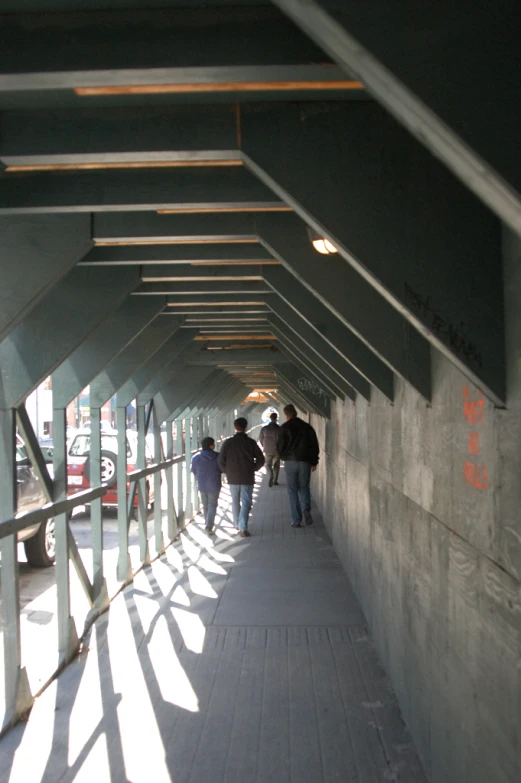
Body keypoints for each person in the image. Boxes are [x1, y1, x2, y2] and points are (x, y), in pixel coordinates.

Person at [218, 417, 265, 537]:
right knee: (246, 502)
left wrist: (227, 471)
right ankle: (242, 527)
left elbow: (221, 460)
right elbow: (261, 459)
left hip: (232, 478)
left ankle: (236, 524)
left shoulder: (228, 443)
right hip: (247, 477)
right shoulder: (250, 442)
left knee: (235, 501)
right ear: (246, 427)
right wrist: (253, 468)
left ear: (235, 427)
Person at [276, 404, 319, 528]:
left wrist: (284, 458)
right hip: (305, 461)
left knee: (292, 491)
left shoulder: (284, 428)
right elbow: (314, 445)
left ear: (286, 414)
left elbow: (279, 447)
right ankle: (306, 508)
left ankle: (296, 520)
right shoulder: (307, 427)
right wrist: (314, 461)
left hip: (290, 463)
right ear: (296, 413)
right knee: (304, 487)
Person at [191, 436, 222, 536]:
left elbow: (193, 470)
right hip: (214, 484)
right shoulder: (218, 456)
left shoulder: (196, 457)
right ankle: (209, 526)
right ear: (211, 446)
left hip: (202, 484)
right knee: (212, 505)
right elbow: (222, 469)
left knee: (205, 505)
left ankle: (207, 523)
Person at [259, 411, 281, 487]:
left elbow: (261, 439)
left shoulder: (264, 428)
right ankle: (275, 481)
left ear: (270, 418)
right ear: (276, 418)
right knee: (276, 465)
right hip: (277, 450)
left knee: (267, 464)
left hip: (267, 450)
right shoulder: (279, 428)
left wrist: (264, 446)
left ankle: (270, 475)